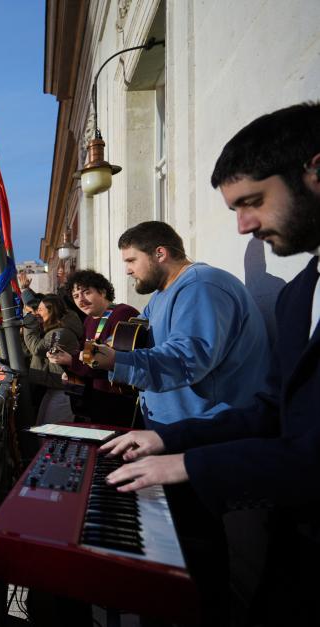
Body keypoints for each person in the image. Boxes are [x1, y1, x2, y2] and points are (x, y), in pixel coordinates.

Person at [101, 102, 320, 623]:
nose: (244, 226)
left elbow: (188, 360)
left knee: (199, 559)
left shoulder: (202, 285)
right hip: (285, 533)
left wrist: (187, 460)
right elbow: (275, 412)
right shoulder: (298, 296)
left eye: (253, 201)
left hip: (217, 445)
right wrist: (168, 440)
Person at [88, 221, 270, 429]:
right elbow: (138, 335)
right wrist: (113, 345)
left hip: (210, 430)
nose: (127, 271)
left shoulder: (201, 286)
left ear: (160, 254)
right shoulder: (161, 294)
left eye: (131, 260)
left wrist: (116, 361)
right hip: (179, 429)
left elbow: (186, 359)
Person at [47, 269, 140, 425]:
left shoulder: (123, 314)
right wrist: (69, 369)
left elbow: (116, 362)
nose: (81, 300)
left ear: (102, 292)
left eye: (86, 292)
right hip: (99, 401)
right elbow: (88, 358)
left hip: (120, 403)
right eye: (76, 296)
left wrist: (72, 361)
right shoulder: (89, 321)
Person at [22, 294, 79, 424]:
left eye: (40, 310)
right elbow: (31, 353)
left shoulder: (60, 333)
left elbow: (37, 349)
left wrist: (29, 326)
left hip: (64, 391)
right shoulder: (54, 331)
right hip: (55, 387)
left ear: (51, 311)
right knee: (42, 425)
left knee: (52, 429)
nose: (37, 313)